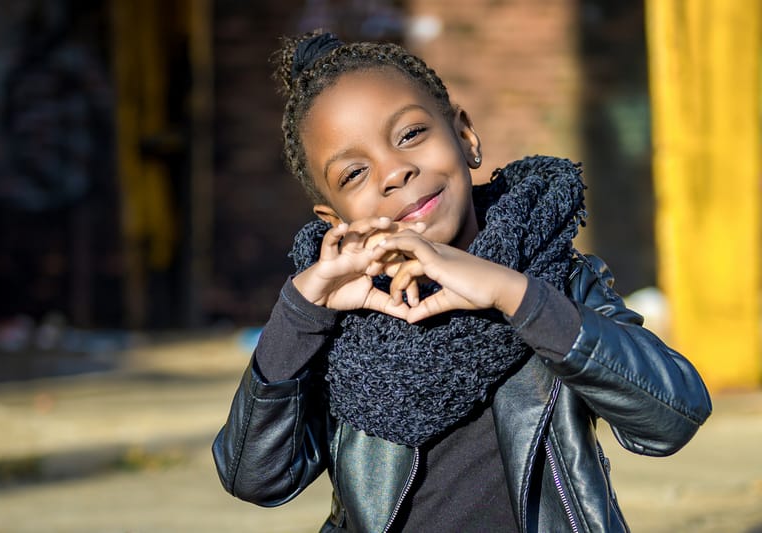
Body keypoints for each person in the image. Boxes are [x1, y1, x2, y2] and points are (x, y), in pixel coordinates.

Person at [212, 31, 712, 532]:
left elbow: (671, 418)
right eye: (354, 173)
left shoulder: (551, 278)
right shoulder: (340, 326)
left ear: (465, 135)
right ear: (332, 218)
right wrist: (303, 311)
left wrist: (511, 293)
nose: (395, 172)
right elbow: (258, 477)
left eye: (409, 135)